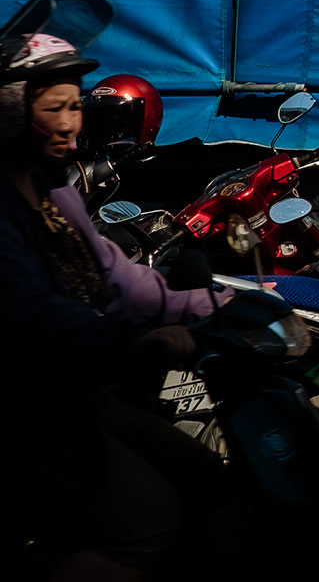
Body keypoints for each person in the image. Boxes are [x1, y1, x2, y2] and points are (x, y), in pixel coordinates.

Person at [0, 33, 222, 580]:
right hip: (18, 411)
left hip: (71, 395)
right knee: (148, 523)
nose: (72, 124)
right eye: (54, 108)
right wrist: (129, 342)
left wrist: (228, 301)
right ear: (10, 111)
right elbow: (32, 313)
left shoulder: (55, 190)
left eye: (76, 105)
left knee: (207, 478)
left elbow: (119, 281)